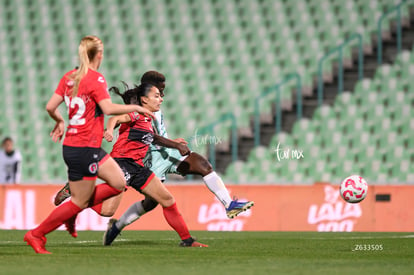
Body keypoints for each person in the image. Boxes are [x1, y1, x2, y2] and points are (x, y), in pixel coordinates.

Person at [55, 71, 254, 245]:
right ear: (149, 89)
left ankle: (228, 205)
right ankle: (114, 224)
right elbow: (134, 125)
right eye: (160, 90)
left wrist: (172, 141)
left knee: (202, 165)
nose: (163, 95)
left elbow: (153, 131)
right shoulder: (141, 103)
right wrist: (107, 129)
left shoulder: (154, 102)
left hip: (164, 153)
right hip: (147, 157)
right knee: (146, 203)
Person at [23, 35, 154, 254]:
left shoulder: (69, 77)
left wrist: (60, 121)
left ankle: (72, 210)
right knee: (82, 200)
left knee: (118, 182)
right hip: (84, 148)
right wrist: (138, 109)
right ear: (99, 55)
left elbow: (49, 106)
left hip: (78, 146)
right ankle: (36, 234)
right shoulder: (96, 79)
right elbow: (108, 108)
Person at [99, 83, 207, 247]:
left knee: (167, 199)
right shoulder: (135, 114)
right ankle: (76, 191)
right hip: (121, 163)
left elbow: (155, 139)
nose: (161, 99)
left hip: (137, 167)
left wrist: (174, 143)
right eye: (156, 96)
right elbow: (115, 118)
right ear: (144, 100)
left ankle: (187, 240)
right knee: (107, 211)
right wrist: (109, 130)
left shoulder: (148, 120)